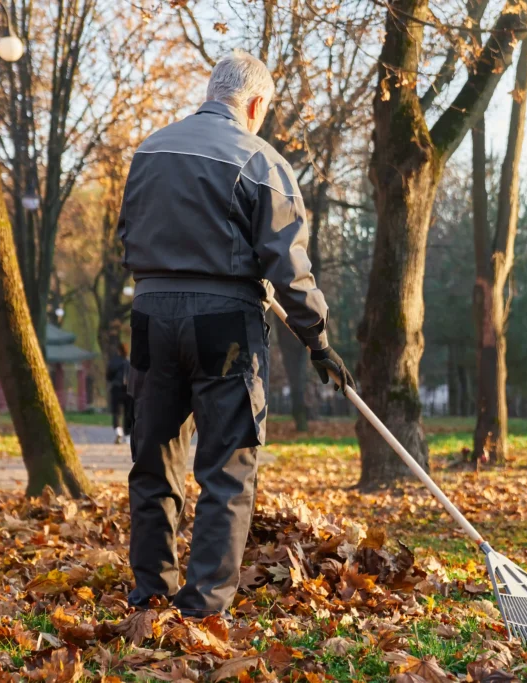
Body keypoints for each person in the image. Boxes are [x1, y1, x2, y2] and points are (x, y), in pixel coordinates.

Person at [116, 49, 356, 618]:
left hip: (150, 314)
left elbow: (127, 232)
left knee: (154, 460)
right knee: (226, 467)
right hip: (223, 324)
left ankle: (151, 592)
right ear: (253, 103)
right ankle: (203, 608)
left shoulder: (149, 151)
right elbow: (289, 268)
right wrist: (317, 339)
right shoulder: (260, 160)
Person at [105, 342, 132, 445]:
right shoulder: (130, 362)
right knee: (128, 413)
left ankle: (118, 431)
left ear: (118, 350)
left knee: (116, 412)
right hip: (129, 390)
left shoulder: (114, 362)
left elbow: (108, 376)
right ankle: (128, 436)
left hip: (116, 388)